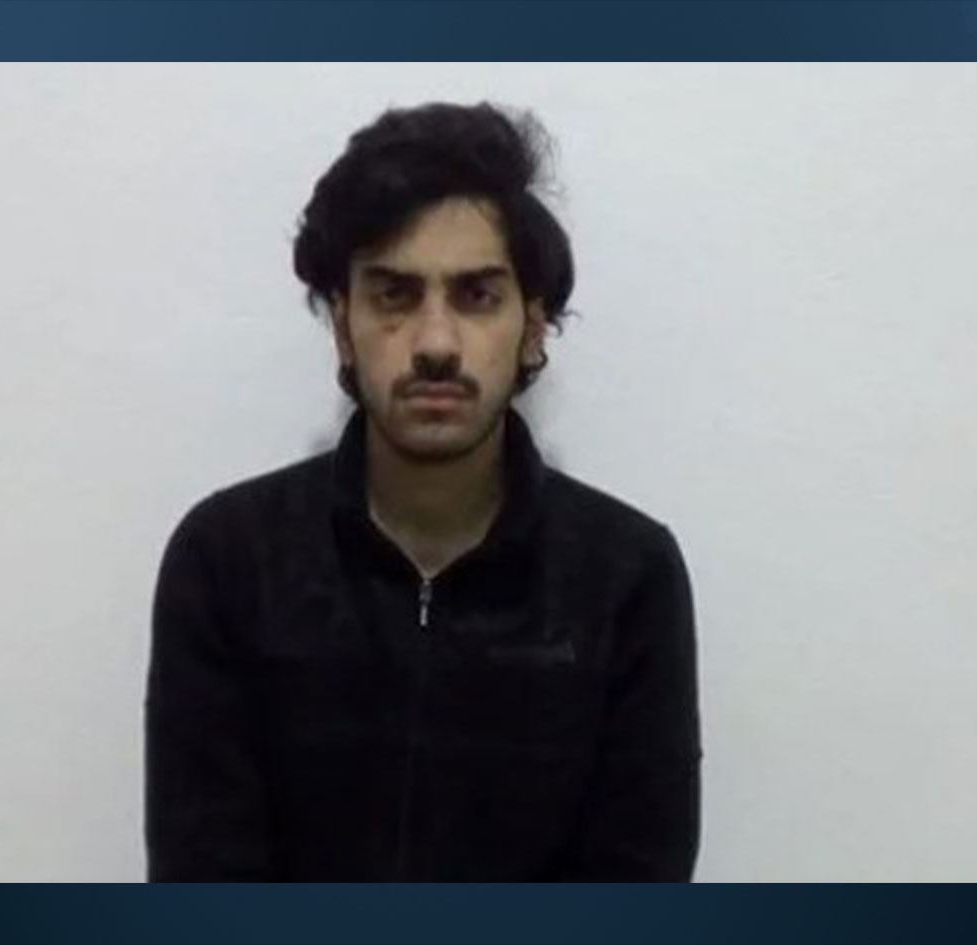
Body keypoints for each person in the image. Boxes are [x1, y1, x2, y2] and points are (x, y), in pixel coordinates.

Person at [145, 101, 701, 881]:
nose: (436, 342)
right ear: (343, 323)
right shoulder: (228, 561)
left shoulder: (626, 577)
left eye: (476, 296)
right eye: (394, 295)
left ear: (532, 326)